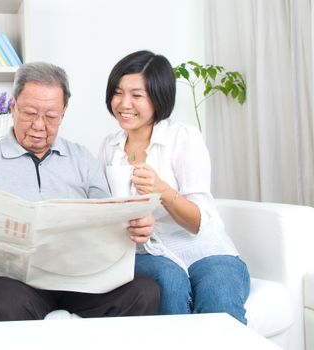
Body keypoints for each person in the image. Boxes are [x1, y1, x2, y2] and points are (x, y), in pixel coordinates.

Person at [0, 61, 160, 321]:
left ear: (63, 113)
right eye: (30, 113)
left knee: (145, 292)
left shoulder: (82, 159)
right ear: (12, 107)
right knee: (6, 301)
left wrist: (134, 224)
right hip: (15, 281)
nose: (39, 126)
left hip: (79, 277)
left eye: (51, 117)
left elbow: (111, 218)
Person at [99, 50, 250, 323]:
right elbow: (103, 213)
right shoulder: (109, 148)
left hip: (202, 248)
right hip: (146, 252)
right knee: (169, 284)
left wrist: (162, 190)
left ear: (158, 97)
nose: (124, 103)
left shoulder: (184, 138)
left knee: (219, 295)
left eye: (136, 95)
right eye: (118, 93)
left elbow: (198, 223)